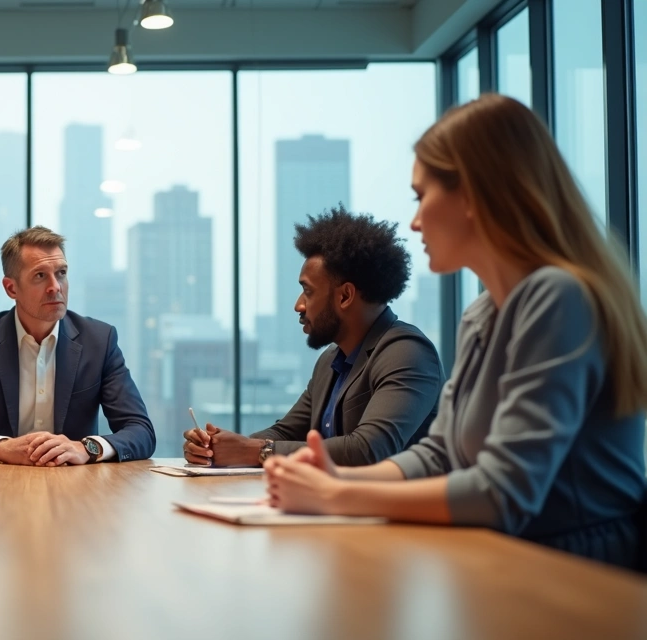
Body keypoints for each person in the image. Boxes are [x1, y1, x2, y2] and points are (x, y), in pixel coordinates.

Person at [265, 94, 647, 570]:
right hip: (505, 556)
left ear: (474, 195)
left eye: (422, 196)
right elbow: (440, 454)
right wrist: (337, 482)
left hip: (575, 571)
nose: (415, 220)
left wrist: (340, 495)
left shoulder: (557, 296)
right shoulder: (483, 313)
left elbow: (503, 491)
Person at [183, 206, 443, 467]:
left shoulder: (407, 352)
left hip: (391, 508)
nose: (299, 305)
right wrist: (216, 446)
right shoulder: (331, 361)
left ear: (345, 296)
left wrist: (255, 451)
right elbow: (285, 433)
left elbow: (368, 448)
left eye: (307, 291)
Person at [0, 226, 155, 465]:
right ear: (11, 288)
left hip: (76, 485)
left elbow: (140, 431)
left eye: (61, 273)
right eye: (40, 276)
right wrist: (3, 448)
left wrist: (87, 448)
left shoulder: (99, 340)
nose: (55, 286)